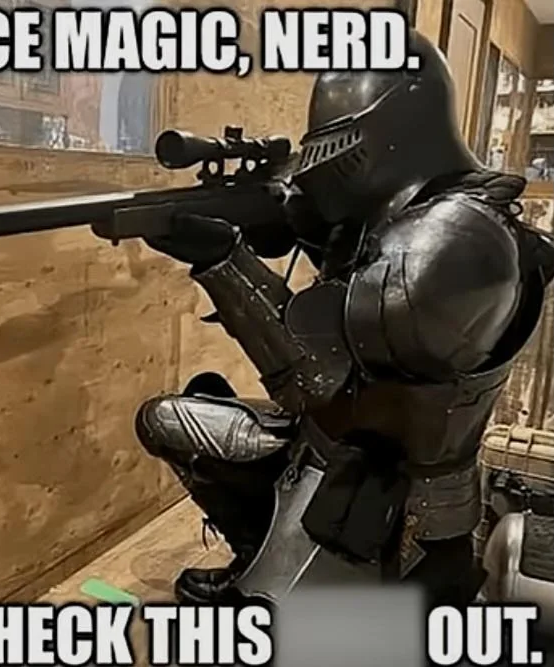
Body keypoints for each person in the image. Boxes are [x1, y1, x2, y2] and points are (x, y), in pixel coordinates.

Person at [128, 31, 554, 607]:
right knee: (167, 421)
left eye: (340, 147)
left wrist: (224, 261)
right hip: (331, 449)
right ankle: (255, 550)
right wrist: (275, 217)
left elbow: (313, 384)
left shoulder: (447, 243)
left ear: (394, 129)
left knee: (267, 633)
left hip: (400, 507)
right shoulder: (413, 211)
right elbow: (327, 250)